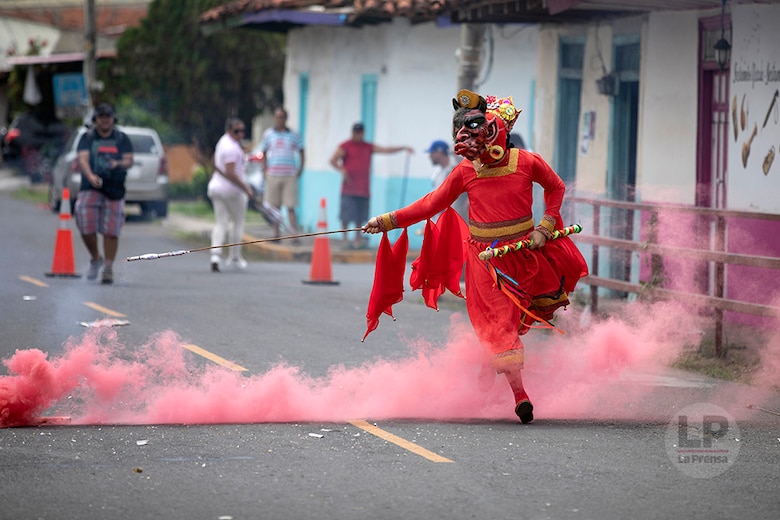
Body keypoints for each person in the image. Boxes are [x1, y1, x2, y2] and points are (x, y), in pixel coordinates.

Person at [362, 90, 588, 423]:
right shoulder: (465, 172)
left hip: (525, 255)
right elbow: (431, 204)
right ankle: (520, 396)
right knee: (500, 326)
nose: (478, 156)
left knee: (515, 322)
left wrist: (545, 225)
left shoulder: (527, 162)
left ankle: (492, 357)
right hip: (485, 263)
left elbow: (555, 187)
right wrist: (386, 221)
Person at [74, 102, 133, 285]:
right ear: (96, 119)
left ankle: (108, 268)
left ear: (113, 118)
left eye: (108, 116)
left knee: (111, 231)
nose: (105, 120)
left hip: (114, 189)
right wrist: (91, 176)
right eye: (101, 117)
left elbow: (129, 160)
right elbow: (82, 159)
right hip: (92, 187)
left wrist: (117, 164)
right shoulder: (87, 137)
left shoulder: (122, 138)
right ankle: (95, 257)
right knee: (84, 222)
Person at [329, 122, 413, 249]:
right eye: (355, 133)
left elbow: (385, 150)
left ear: (363, 133)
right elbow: (333, 160)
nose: (357, 135)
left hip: (363, 189)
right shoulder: (345, 146)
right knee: (346, 216)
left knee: (360, 216)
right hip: (349, 188)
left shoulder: (367, 147)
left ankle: (357, 240)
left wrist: (402, 148)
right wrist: (342, 170)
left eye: (359, 133)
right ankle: (345, 240)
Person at [207, 118, 254, 272]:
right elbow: (230, 172)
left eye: (242, 131)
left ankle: (216, 254)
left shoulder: (223, 141)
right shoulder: (232, 149)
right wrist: (245, 187)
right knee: (237, 222)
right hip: (232, 191)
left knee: (220, 222)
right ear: (229, 131)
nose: (240, 134)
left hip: (216, 188)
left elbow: (214, 162)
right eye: (236, 131)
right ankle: (234, 256)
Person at [260, 107, 305, 239]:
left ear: (285, 118)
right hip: (273, 174)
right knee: (275, 207)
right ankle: (276, 233)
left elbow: (302, 151)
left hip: (289, 174)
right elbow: (263, 153)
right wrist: (265, 169)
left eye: (282, 117)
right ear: (274, 118)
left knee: (290, 205)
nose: (279, 119)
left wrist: (300, 169)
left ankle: (293, 234)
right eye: (277, 117)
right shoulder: (268, 134)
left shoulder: (294, 135)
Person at [427, 139, 467, 220]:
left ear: (439, 153)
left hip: (457, 218)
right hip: (442, 220)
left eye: (432, 153)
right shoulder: (437, 174)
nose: (429, 156)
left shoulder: (455, 171)